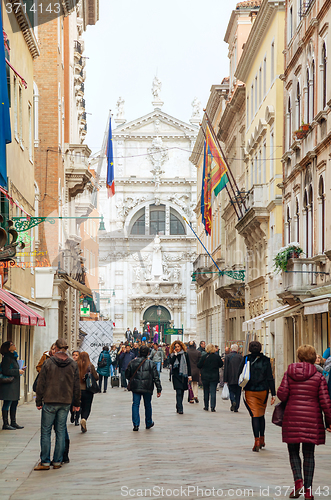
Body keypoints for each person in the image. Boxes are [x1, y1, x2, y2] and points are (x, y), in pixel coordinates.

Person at [277, 345, 331, 500]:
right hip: (312, 420)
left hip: (292, 418)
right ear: (314, 358)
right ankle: (308, 491)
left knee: (293, 452)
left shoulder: (289, 373)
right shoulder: (318, 376)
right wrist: (329, 420)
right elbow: (326, 402)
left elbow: (282, 394)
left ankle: (298, 483)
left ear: (299, 357)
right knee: (309, 455)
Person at [34, 338, 80, 470]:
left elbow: (41, 383)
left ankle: (45, 461)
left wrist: (38, 401)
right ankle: (58, 461)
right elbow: (76, 386)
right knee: (60, 431)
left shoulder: (48, 363)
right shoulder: (72, 364)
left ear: (56, 348)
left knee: (46, 431)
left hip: (50, 400)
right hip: (65, 401)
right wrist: (76, 403)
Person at [239, 341, 276, 452]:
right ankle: (262, 438)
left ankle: (256, 441)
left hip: (250, 390)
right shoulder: (266, 360)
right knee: (261, 414)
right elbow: (270, 377)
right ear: (260, 348)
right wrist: (273, 393)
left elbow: (240, 374)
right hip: (263, 391)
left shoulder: (246, 359)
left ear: (250, 348)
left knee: (254, 415)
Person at [125, 345, 162, 431]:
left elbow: (127, 375)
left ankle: (136, 424)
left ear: (139, 352)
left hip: (136, 386)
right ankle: (148, 422)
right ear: (148, 353)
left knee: (135, 404)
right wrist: (159, 389)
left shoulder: (132, 362)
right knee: (147, 405)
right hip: (147, 386)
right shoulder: (151, 363)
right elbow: (156, 377)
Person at [0, 341, 26, 430]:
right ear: (8, 348)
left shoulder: (13, 357)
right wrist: (17, 371)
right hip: (8, 385)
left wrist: (20, 369)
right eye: (12, 345)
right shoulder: (7, 358)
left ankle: (13, 422)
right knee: (7, 403)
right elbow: (5, 371)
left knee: (14, 403)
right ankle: (5, 424)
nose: (14, 345)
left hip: (14, 384)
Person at [77, 352, 99, 433]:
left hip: (78, 390)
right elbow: (96, 377)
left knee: (80, 406)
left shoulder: (75, 365)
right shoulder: (90, 365)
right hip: (88, 390)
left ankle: (79, 417)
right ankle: (84, 419)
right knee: (87, 406)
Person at [197, 343, 223, 412]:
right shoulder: (217, 357)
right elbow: (221, 365)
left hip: (205, 376)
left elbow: (199, 365)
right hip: (214, 376)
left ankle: (206, 406)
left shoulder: (204, 356)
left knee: (206, 391)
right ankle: (213, 407)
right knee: (213, 391)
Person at [169, 340, 192, 414]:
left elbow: (188, 365)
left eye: (178, 346)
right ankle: (180, 408)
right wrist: (175, 355)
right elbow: (171, 363)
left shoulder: (185, 354)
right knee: (178, 392)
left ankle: (178, 405)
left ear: (181, 347)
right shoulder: (173, 355)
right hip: (176, 376)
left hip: (183, 376)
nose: (177, 348)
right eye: (176, 347)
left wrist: (189, 375)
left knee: (182, 392)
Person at [223, 344, 243, 412]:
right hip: (239, 378)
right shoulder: (240, 357)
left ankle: (233, 401)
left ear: (231, 349)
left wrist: (225, 379)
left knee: (231, 391)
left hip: (230, 377)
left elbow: (225, 368)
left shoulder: (227, 357)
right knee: (238, 393)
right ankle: (236, 407)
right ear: (237, 349)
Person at [70, 351, 80, 426]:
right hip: (71, 387)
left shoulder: (81, 365)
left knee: (79, 403)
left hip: (79, 387)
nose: (74, 356)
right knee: (71, 403)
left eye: (76, 355)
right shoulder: (70, 364)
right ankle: (72, 414)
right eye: (73, 355)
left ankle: (77, 419)